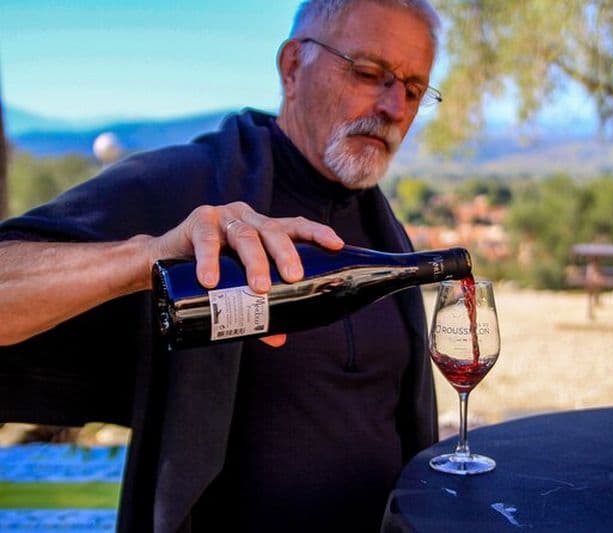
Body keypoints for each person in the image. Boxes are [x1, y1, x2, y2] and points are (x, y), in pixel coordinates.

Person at [0, 0, 443, 531]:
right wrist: (148, 256)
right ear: (291, 67)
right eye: (370, 73)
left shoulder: (385, 231)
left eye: (413, 90)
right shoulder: (186, 187)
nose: (394, 106)